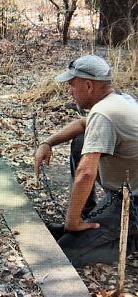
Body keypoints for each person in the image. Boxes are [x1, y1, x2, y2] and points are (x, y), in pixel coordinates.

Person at [34, 55, 138, 267]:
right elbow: (83, 125)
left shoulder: (104, 113)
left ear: (89, 85)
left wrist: (71, 223)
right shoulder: (119, 99)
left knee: (65, 252)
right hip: (125, 188)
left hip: (133, 201)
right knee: (80, 141)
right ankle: (90, 217)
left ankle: (127, 240)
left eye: (72, 85)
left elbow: (86, 173)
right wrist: (47, 143)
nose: (69, 91)